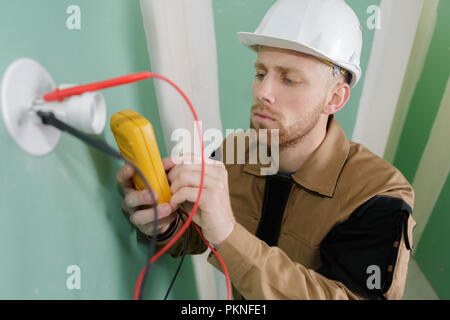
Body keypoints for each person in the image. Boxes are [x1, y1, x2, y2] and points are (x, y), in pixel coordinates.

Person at [116, 0, 415, 300]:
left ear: (335, 98)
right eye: (261, 74)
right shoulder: (232, 152)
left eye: (288, 79)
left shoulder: (378, 195)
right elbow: (198, 232)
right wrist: (167, 222)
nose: (262, 92)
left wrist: (229, 236)